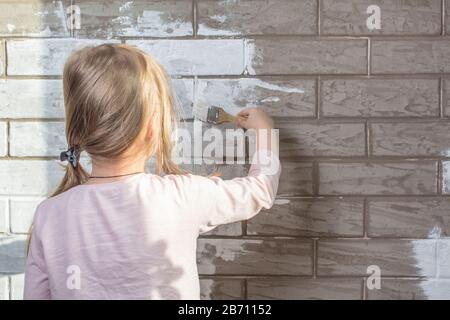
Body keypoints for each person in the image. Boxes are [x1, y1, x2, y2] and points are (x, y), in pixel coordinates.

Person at [24, 44, 281, 299]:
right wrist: (265, 132)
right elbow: (261, 189)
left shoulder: (49, 214)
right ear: (151, 129)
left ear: (78, 129)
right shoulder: (181, 196)